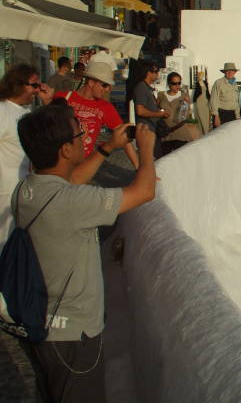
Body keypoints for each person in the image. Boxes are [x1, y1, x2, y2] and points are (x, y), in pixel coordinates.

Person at [15, 105, 156, 402]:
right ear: (66, 149)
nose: (85, 139)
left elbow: (70, 180)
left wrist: (106, 148)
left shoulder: (27, 190)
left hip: (42, 327)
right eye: (80, 135)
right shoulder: (73, 203)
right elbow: (143, 191)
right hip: (74, 338)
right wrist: (145, 149)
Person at [0, 64, 54, 243]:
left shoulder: (25, 113)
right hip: (5, 192)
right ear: (18, 84)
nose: (38, 90)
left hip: (22, 190)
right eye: (34, 85)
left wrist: (47, 104)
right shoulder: (3, 111)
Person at [54, 61, 139, 169]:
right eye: (104, 85)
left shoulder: (105, 107)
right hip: (56, 164)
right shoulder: (63, 97)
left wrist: (138, 166)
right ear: (91, 82)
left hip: (81, 167)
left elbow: (123, 136)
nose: (108, 89)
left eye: (109, 86)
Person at [156, 72, 201, 152]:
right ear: (169, 83)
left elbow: (184, 116)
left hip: (181, 133)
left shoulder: (184, 96)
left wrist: (186, 104)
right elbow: (157, 111)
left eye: (179, 83)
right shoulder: (161, 95)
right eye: (174, 83)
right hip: (166, 134)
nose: (177, 86)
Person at [133, 63, 169, 158]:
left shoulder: (148, 88)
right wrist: (159, 114)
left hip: (152, 129)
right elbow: (140, 111)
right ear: (148, 73)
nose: (157, 74)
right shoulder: (141, 87)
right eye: (156, 72)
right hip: (146, 130)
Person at [193, 68, 211, 134]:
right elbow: (196, 93)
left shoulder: (205, 82)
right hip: (199, 100)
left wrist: (209, 99)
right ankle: (202, 131)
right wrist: (195, 100)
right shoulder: (197, 83)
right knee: (200, 116)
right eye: (200, 75)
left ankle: (207, 131)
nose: (201, 77)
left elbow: (207, 91)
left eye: (201, 75)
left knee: (206, 116)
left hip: (205, 100)